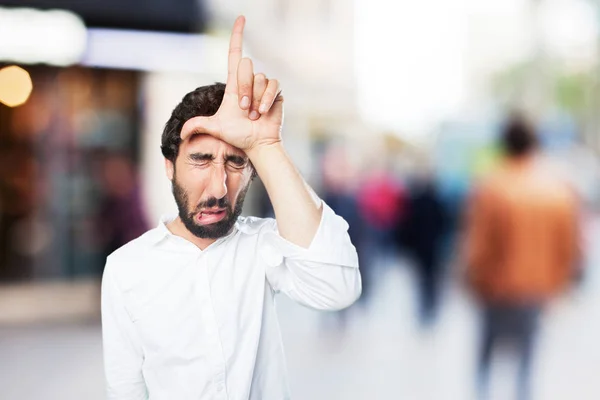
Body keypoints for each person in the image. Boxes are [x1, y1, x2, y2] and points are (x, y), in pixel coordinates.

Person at [101, 16, 361, 400]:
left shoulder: (265, 245)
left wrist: (264, 145)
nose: (219, 187)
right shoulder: (126, 268)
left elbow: (338, 288)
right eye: (201, 160)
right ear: (169, 167)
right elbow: (125, 391)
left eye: (236, 163)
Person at [464, 113, 580, 400]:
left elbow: (478, 244)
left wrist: (470, 279)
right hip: (537, 290)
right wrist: (559, 285)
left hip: (496, 288)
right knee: (527, 360)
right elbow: (568, 247)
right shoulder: (556, 189)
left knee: (487, 355)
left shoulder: (491, 186)